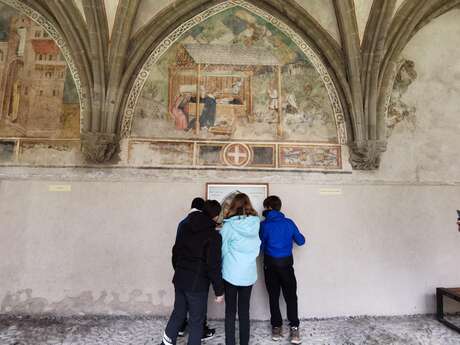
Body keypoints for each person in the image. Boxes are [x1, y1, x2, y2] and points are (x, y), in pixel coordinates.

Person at [160, 200, 224, 345]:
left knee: (178, 313)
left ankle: (166, 343)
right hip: (197, 284)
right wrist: (219, 291)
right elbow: (213, 266)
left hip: (180, 279)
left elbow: (175, 252)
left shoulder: (185, 226)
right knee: (196, 320)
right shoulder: (213, 236)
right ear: (215, 216)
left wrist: (180, 271)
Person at [260, 196, 305, 344]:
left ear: (269, 208)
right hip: (286, 265)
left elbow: (260, 246)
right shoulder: (289, 223)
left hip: (270, 265)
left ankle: (277, 327)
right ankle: (294, 329)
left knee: (274, 296)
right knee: (291, 296)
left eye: (265, 207)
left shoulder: (264, 225)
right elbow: (301, 241)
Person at [220, 193, 261, 345]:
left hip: (231, 273)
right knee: (244, 312)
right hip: (248, 274)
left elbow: (222, 250)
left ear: (233, 206)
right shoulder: (256, 223)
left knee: (230, 312)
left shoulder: (229, 225)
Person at [176, 197, 216, 340]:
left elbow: (177, 249)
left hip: (182, 270)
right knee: (198, 308)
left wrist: (178, 268)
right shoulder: (206, 227)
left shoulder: (183, 223)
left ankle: (179, 328)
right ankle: (201, 332)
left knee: (181, 306)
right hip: (198, 274)